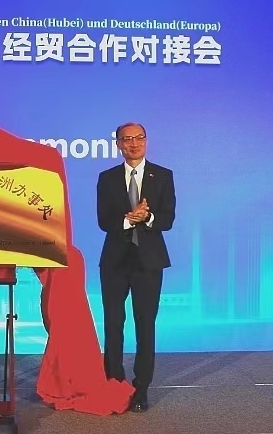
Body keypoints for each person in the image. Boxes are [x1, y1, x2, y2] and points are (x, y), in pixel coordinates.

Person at [96, 122, 175, 412]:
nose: (134, 143)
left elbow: (168, 218)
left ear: (146, 141)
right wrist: (129, 219)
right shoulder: (107, 178)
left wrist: (148, 217)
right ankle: (114, 383)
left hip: (149, 262)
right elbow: (103, 220)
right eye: (127, 139)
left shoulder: (163, 175)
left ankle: (141, 389)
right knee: (113, 323)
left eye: (139, 137)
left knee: (145, 323)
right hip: (115, 262)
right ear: (118, 144)